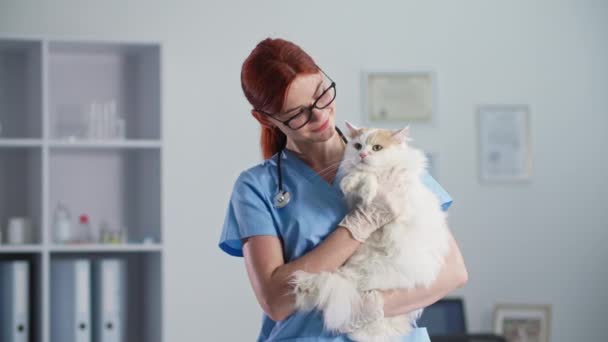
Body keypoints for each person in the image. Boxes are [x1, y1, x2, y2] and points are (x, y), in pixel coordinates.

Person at [219, 37, 468, 342]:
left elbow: (453, 272)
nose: (320, 116)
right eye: (297, 114)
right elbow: (276, 300)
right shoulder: (256, 187)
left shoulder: (389, 156)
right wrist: (359, 225)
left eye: (322, 94)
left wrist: (372, 306)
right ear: (265, 118)